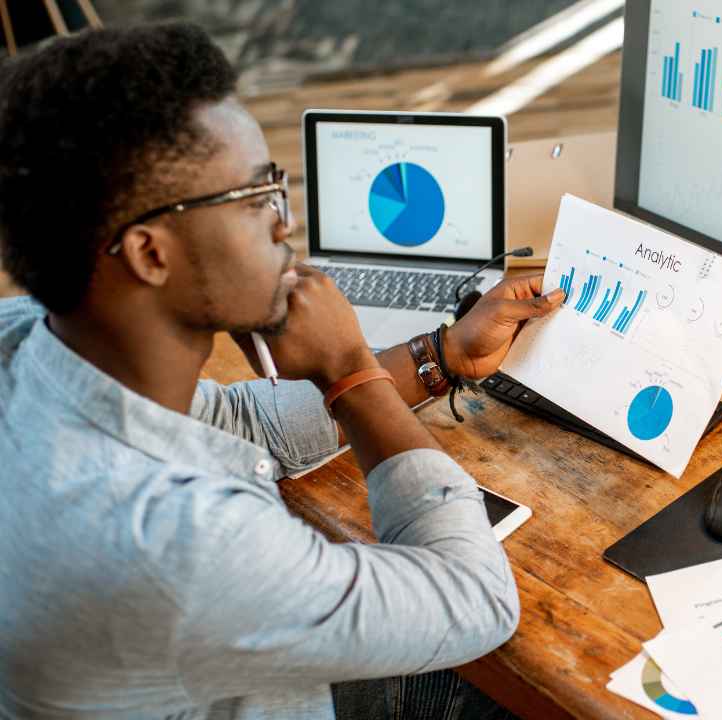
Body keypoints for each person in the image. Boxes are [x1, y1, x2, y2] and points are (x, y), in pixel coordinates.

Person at [0, 22, 565, 720]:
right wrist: (351, 369)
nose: (281, 225)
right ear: (150, 254)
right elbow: (475, 600)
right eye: (253, 196)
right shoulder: (174, 542)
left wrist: (442, 356)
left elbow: (238, 422)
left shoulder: (26, 345)